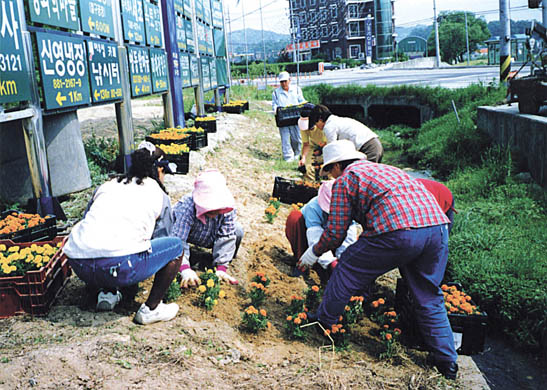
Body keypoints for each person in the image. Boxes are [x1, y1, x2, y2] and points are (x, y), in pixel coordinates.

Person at [298, 140, 458, 380]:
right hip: (436, 229)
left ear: (339, 165)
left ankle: (324, 322)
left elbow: (335, 233)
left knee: (346, 268)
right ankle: (447, 363)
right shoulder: (388, 170)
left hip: (399, 231)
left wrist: (314, 252)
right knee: (428, 295)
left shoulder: (346, 180)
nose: (330, 176)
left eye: (330, 170)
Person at [63, 142, 183, 325]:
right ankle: (151, 308)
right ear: (158, 169)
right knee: (176, 247)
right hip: (119, 266)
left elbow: (90, 221)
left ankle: (107, 293)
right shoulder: (158, 193)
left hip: (79, 263)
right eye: (164, 172)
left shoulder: (107, 185)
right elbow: (161, 240)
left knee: (108, 237)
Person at [172, 169, 243, 287]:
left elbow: (226, 236)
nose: (214, 211)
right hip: (189, 234)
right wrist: (184, 268)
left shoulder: (228, 209)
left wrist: (221, 268)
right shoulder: (187, 206)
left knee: (238, 231)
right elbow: (178, 239)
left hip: (210, 236)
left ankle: (221, 259)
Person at [285, 179, 358, 282]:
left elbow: (348, 239)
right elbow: (315, 239)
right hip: (309, 242)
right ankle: (302, 262)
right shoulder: (313, 207)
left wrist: (342, 263)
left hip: (333, 243)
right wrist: (329, 262)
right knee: (294, 217)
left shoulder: (348, 210)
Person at [309, 104, 384, 163]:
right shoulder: (336, 120)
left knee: (365, 176)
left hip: (368, 147)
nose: (317, 127)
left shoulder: (328, 126)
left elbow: (332, 150)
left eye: (316, 123)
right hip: (375, 144)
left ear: (320, 119)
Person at [272, 71, 307, 162]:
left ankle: (297, 154)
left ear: (289, 80)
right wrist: (275, 110)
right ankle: (288, 157)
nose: (283, 83)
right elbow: (274, 105)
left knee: (297, 138)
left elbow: (301, 100)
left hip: (295, 117)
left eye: (285, 81)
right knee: (285, 138)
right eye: (281, 82)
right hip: (283, 118)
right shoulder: (276, 93)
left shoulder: (296, 89)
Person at [297, 104, 327, 182]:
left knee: (329, 167)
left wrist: (321, 152)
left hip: (327, 145)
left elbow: (329, 144)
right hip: (313, 145)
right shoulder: (302, 126)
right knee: (308, 167)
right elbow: (306, 144)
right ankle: (309, 184)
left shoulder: (324, 125)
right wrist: (303, 158)